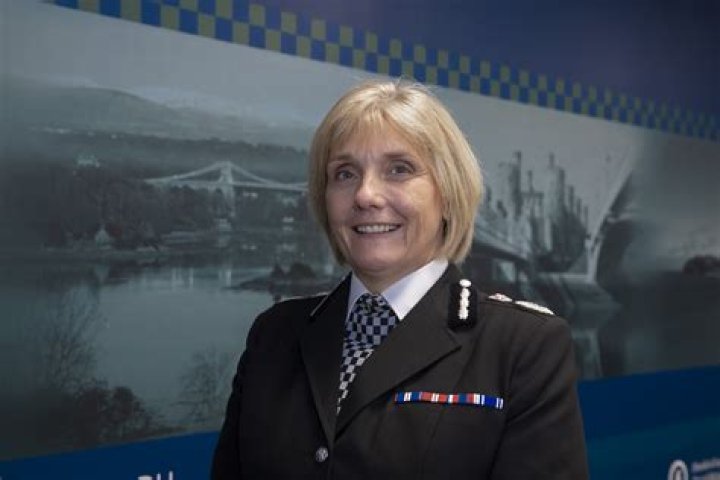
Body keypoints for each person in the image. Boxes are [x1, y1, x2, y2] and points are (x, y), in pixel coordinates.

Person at [212, 79, 589, 479]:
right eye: (344, 173)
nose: (365, 195)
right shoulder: (274, 335)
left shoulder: (522, 346)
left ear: (448, 194)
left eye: (399, 169)